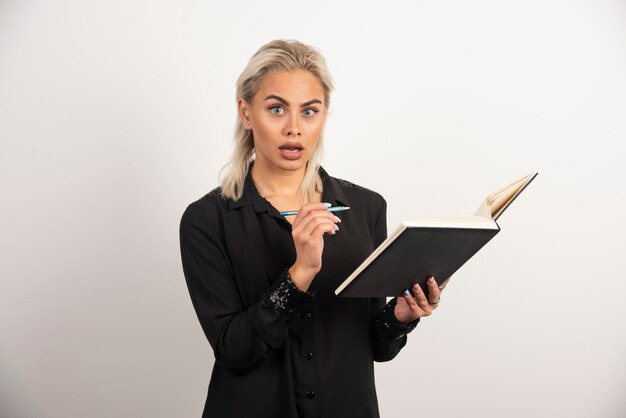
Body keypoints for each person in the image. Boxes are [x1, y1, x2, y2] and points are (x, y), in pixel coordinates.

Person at [179, 39, 446, 418]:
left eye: (309, 111)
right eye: (276, 109)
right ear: (246, 112)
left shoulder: (366, 208)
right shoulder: (206, 220)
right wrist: (299, 273)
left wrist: (400, 315)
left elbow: (376, 346)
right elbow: (234, 352)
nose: (294, 128)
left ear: (324, 114)